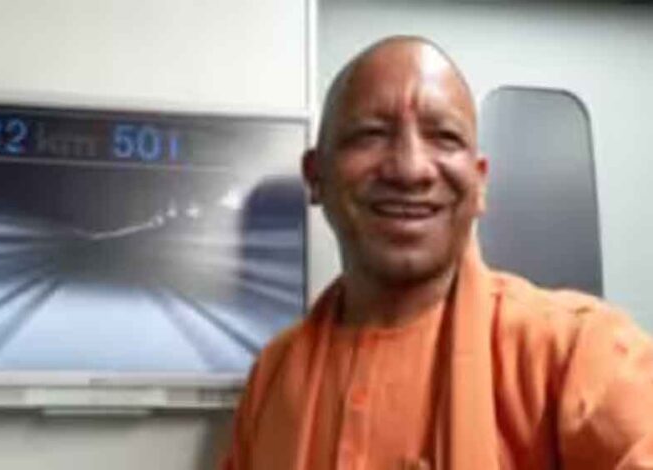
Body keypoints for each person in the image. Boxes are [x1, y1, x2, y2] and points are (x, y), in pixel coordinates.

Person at [222, 36, 653, 470]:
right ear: (315, 177)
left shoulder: (577, 352)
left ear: (479, 183)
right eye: (371, 135)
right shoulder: (273, 375)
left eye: (444, 138)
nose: (410, 169)